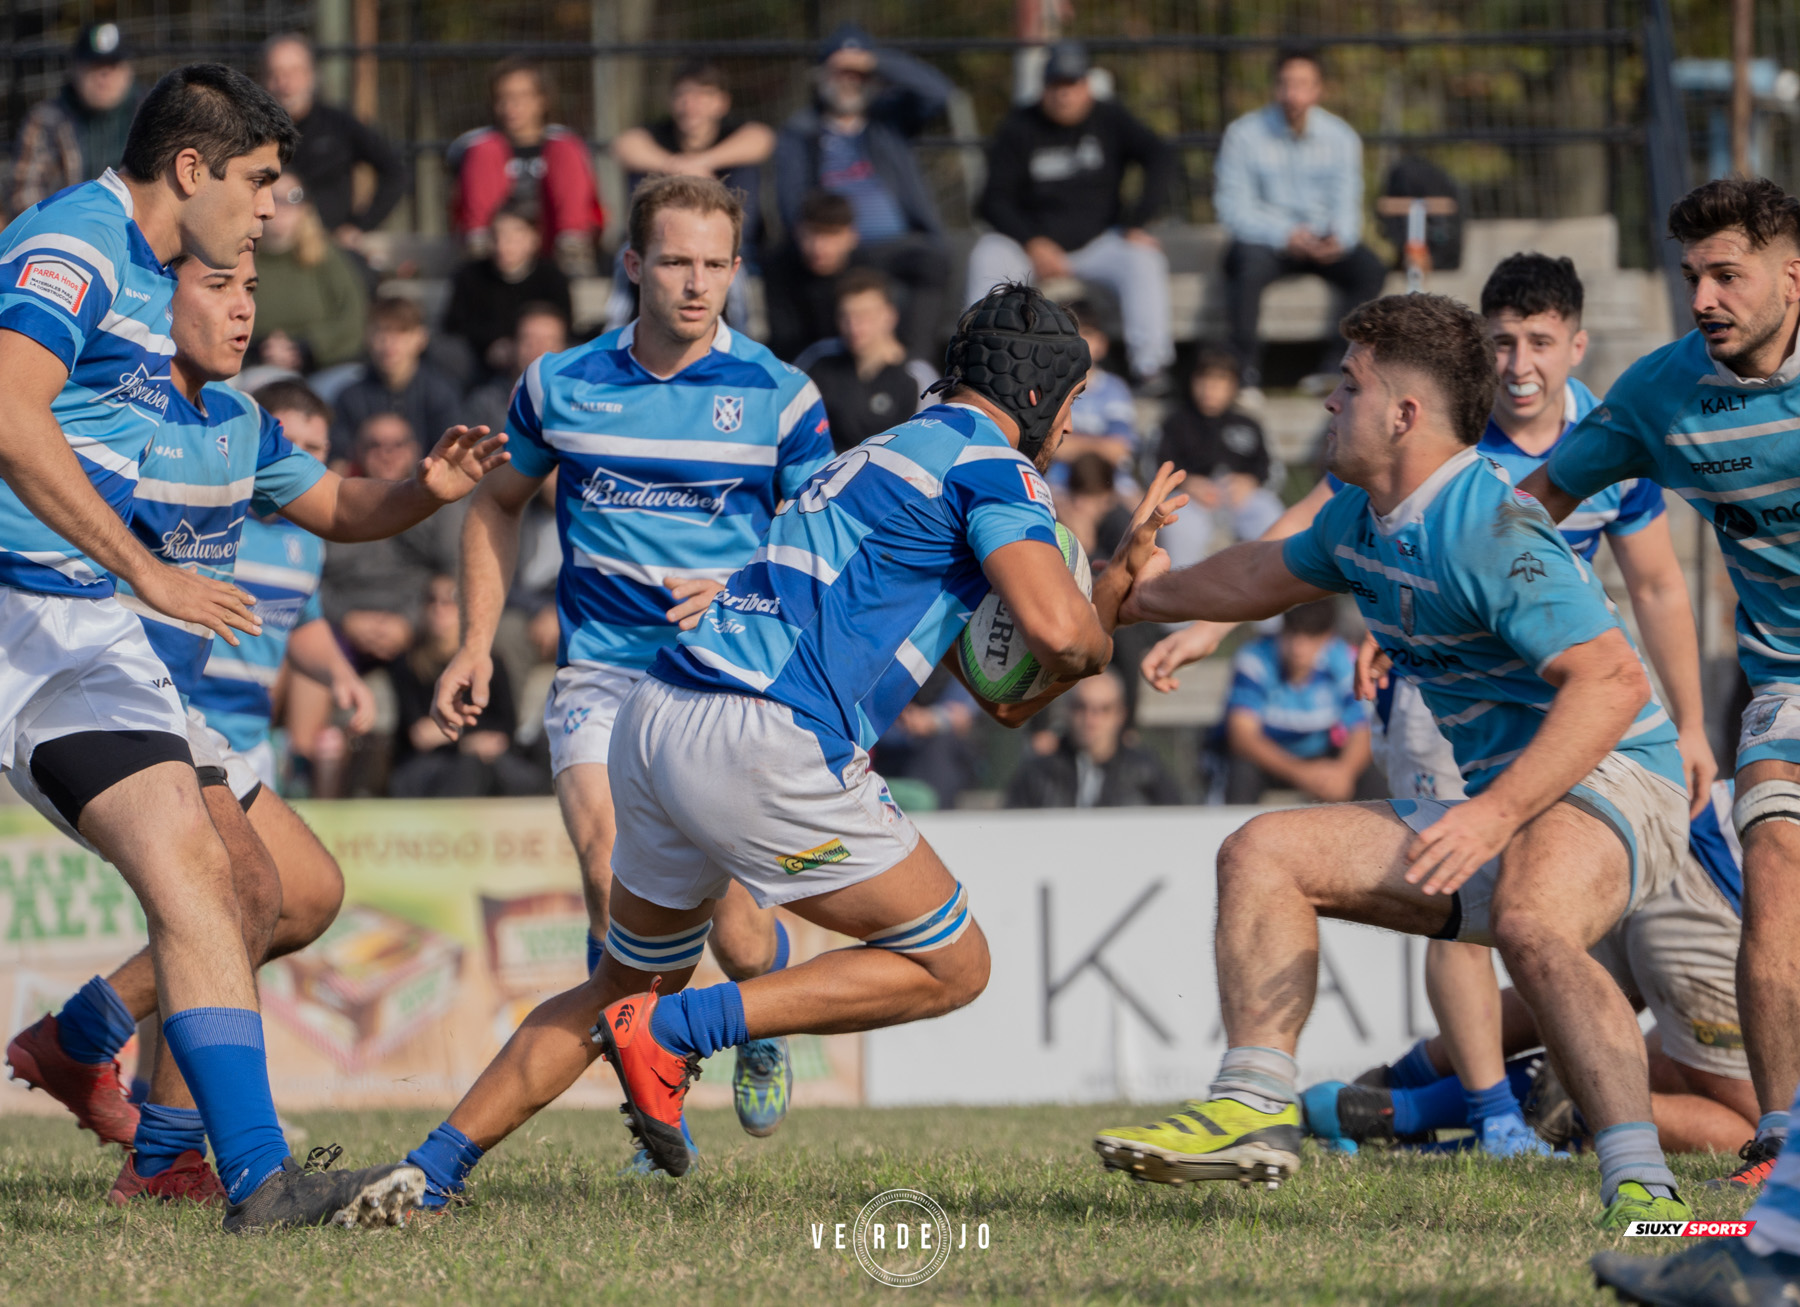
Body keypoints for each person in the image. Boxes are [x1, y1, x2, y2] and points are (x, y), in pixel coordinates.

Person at [403, 281, 1183, 1204]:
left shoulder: (889, 451)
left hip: (661, 711)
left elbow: (1003, 691)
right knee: (952, 962)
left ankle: (426, 1172)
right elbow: (1059, 639)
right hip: (764, 732)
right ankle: (683, 1029)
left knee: (621, 980)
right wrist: (1102, 624)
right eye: (1076, 401)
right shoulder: (996, 469)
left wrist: (1111, 583)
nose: (1072, 424)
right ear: (1043, 394)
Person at [1094, 293, 1696, 1232]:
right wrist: (1140, 594)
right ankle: (1255, 1108)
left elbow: (1614, 683)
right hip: (1513, 793)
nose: (1331, 404)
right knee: (1262, 852)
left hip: (1619, 774)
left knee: (1535, 921)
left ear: (1404, 414)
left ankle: (1646, 1190)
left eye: (1349, 386)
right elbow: (1259, 574)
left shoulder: (1484, 525)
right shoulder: (1362, 520)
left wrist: (1492, 815)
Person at [0, 63, 423, 1232]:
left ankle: (226, 1166)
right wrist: (147, 570)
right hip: (31, 615)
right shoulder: (78, 241)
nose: (272, 210)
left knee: (238, 882)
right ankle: (230, 1164)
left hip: (82, 621)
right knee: (208, 878)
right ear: (190, 170)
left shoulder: (142, 270)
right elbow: (5, 406)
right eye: (258, 181)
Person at [25, 247, 504, 1207]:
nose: (244, 311)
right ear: (157, 304)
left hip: (175, 707)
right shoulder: (98, 400)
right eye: (219, 289)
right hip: (82, 681)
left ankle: (83, 1038)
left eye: (250, 291)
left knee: (305, 895)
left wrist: (425, 491)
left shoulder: (243, 421)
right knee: (231, 885)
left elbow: (337, 505)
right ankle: (178, 1157)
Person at [423, 174, 835, 1184]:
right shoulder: (560, 383)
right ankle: (659, 1109)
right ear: (634, 264)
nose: (697, 285)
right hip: (600, 675)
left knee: (734, 927)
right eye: (677, 262)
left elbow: (827, 539)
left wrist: (741, 585)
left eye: (715, 265)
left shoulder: (783, 397)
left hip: (724, 684)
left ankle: (757, 1012)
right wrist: (478, 642)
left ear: (736, 270)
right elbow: (494, 505)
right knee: (613, 883)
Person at [1519, 178, 1800, 1206]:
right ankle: (1783, 1133)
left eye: (1728, 274)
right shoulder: (1661, 391)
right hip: (1786, 681)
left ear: (1791, 276)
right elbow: (1529, 509)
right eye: (1693, 277)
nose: (1706, 298)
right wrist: (1434, 603)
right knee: (1773, 859)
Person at [1309, 784, 1753, 1159]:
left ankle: (1389, 1099)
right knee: (1766, 1125)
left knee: (1600, 1017)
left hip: (1656, 842)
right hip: (1714, 890)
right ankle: (1577, 1096)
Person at [189, 380, 375, 793]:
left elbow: (301, 620)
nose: (304, 461)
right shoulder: (207, 509)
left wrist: (342, 675)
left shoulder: (310, 541)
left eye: (317, 449)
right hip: (179, 723)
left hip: (251, 742)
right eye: (292, 445)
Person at [968, 40, 1175, 391]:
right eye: (1056, 85)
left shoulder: (1109, 116)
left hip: (1097, 242)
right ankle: (980, 364)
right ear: (1044, 87)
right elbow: (991, 200)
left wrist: (1137, 222)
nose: (1064, 94)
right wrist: (1032, 242)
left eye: (1072, 84)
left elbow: (1160, 156)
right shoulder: (1019, 125)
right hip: (1030, 246)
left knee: (1144, 260)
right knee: (987, 253)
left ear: (1086, 85)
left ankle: (1150, 366)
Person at [774, 25, 953, 361]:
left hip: (898, 242)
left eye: (858, 73)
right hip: (837, 245)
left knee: (935, 259)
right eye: (840, 71)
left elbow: (939, 93)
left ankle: (913, 368)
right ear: (821, 76)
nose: (849, 80)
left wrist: (875, 61)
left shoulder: (890, 120)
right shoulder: (800, 131)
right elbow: (791, 202)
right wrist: (823, 236)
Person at [1214, 47, 1387, 392]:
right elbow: (1232, 209)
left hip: (1324, 242)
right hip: (1268, 242)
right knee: (1246, 266)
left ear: (1319, 89)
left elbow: (1348, 201)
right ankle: (1244, 371)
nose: (1293, 94)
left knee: (1371, 268)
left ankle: (1340, 364)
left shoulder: (1341, 137)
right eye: (1286, 83)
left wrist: (1340, 237)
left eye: (1303, 84)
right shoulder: (1243, 135)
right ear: (1274, 87)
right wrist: (1287, 235)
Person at [320, 413, 465, 670]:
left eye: (397, 445)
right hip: (339, 626)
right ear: (356, 451)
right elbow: (309, 577)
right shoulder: (328, 502)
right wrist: (345, 619)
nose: (386, 453)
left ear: (415, 450)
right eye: (374, 445)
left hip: (417, 626)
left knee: (449, 624)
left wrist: (410, 622)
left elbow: (452, 573)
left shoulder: (440, 503)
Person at [389, 575, 545, 798]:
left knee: (495, 770)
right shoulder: (408, 664)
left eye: (450, 600)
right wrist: (469, 740)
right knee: (467, 769)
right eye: (431, 600)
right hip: (431, 764)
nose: (439, 608)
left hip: (483, 761)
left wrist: (450, 734)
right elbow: (419, 734)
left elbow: (504, 730)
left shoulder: (490, 663)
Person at [450, 58, 604, 275]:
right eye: (503, 98)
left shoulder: (564, 143)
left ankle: (573, 250)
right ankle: (480, 251)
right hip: (500, 240)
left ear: (542, 99)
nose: (511, 106)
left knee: (565, 147)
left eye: (521, 96)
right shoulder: (478, 145)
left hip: (551, 237)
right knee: (484, 150)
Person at [1220, 600, 1377, 804]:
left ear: (1327, 638)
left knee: (1370, 774)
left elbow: (1362, 731)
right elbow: (1243, 738)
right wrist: (1301, 773)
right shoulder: (1254, 660)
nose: (1298, 647)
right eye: (1293, 633)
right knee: (1241, 771)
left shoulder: (1343, 659)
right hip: (1269, 763)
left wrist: (1344, 772)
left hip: (1320, 761)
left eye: (1311, 636)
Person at [261, 33, 406, 253]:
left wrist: (359, 226)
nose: (284, 84)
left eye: (293, 73)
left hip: (330, 249)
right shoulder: (252, 133)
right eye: (275, 74)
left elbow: (395, 171)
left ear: (311, 75)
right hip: (267, 250)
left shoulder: (339, 124)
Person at [1154, 346, 1282, 566]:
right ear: (1192, 381)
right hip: (1191, 500)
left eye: (1220, 381)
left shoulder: (1248, 424)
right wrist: (1187, 484)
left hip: (1241, 498)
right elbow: (1154, 466)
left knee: (1270, 515)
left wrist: (1250, 481)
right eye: (1204, 380)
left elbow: (1271, 469)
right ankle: (1182, 588)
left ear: (1233, 387)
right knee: (1179, 526)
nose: (1210, 389)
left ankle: (1270, 586)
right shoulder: (1175, 423)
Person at [8, 24, 141, 218]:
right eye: (94, 66)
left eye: (112, 65)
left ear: (129, 71)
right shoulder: (46, 119)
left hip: (137, 232)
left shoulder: (150, 114)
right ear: (75, 69)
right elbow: (23, 196)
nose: (103, 76)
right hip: (65, 232)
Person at [798, 267, 937, 452]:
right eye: (845, 316)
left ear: (890, 316)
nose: (854, 326)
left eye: (865, 316)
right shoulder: (818, 359)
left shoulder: (917, 376)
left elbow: (928, 445)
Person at [1005, 668, 1181, 808]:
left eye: (1103, 709)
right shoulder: (1038, 774)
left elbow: (1178, 823)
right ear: (1068, 710)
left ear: (1121, 715)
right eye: (1081, 707)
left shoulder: (1146, 772)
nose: (1091, 720)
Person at [249, 176, 367, 371]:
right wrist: (259, 348)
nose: (283, 206)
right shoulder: (239, 256)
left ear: (306, 207)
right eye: (273, 196)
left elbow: (353, 316)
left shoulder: (325, 255)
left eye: (294, 197)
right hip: (256, 366)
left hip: (326, 366)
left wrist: (308, 347)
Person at [444, 202, 573, 380]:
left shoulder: (552, 277)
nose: (503, 245)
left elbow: (563, 325)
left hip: (541, 359)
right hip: (481, 363)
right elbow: (455, 325)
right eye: (497, 236)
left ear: (534, 238)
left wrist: (523, 346)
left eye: (513, 236)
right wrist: (491, 345)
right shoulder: (470, 276)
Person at [332, 297, 463, 466]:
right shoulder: (348, 398)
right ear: (367, 336)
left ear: (421, 338)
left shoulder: (441, 394)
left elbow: (450, 458)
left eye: (401, 331)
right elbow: (337, 461)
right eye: (380, 331)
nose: (389, 342)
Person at [762, 189, 870, 362]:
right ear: (797, 231)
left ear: (852, 236)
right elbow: (781, 340)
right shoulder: (777, 269)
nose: (819, 246)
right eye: (812, 233)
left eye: (831, 234)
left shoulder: (867, 273)